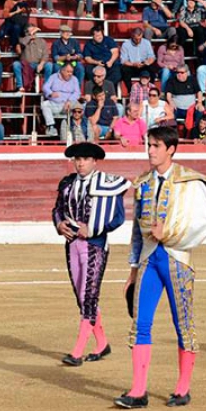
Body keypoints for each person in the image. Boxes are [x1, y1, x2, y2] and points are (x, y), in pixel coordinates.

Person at [116, 126, 206, 409]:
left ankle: (183, 388)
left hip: (177, 258)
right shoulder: (144, 183)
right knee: (141, 324)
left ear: (171, 149)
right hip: (149, 259)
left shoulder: (191, 182)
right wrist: (133, 270)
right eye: (149, 145)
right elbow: (137, 231)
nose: (150, 150)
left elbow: (204, 223)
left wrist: (169, 233)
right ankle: (138, 390)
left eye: (156, 146)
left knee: (183, 324)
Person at [52, 141, 130, 365]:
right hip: (72, 244)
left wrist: (94, 229)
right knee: (82, 297)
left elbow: (117, 218)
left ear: (94, 161)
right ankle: (102, 344)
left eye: (85, 159)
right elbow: (57, 209)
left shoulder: (107, 184)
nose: (80, 163)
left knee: (89, 296)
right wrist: (59, 225)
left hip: (95, 244)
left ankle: (77, 352)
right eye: (77, 159)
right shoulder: (67, 184)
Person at [42, 63, 82, 136]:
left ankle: (79, 128)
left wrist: (69, 101)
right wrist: (51, 93)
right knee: (44, 104)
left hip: (69, 105)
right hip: (55, 104)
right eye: (68, 71)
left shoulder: (74, 79)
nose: (70, 74)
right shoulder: (53, 77)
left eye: (71, 72)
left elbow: (77, 93)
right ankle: (51, 126)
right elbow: (45, 87)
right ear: (62, 71)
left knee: (81, 105)